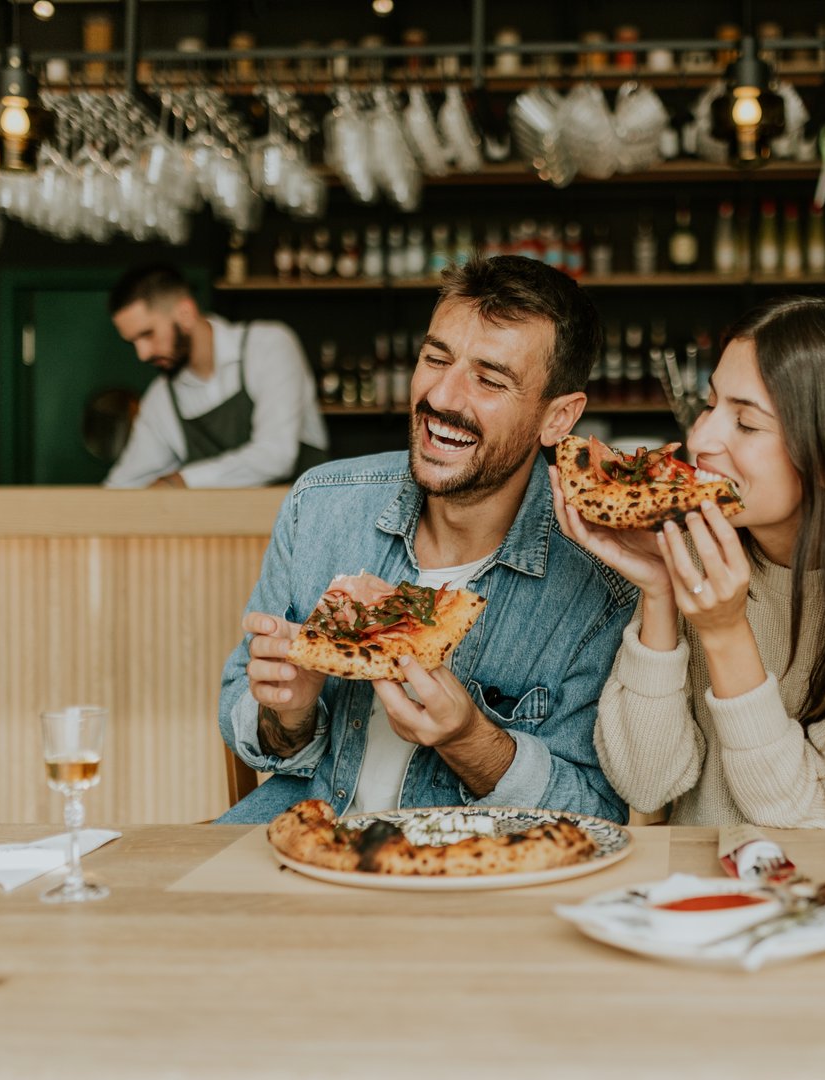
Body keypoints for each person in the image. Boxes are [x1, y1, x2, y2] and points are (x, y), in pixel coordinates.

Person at [216, 256, 634, 824]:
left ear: (558, 418)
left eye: (489, 380)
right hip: (298, 845)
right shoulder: (319, 505)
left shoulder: (601, 586)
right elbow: (242, 715)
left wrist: (469, 740)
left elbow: (595, 812)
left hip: (467, 882)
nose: (443, 396)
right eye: (435, 358)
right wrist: (288, 714)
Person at [555, 295, 825, 828]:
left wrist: (724, 631)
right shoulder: (698, 551)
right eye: (710, 405)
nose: (699, 438)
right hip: (703, 894)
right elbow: (647, 784)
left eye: (746, 423)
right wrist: (661, 593)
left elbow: (800, 814)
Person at [102, 263, 329, 488]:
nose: (142, 354)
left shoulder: (269, 346)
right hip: (226, 525)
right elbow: (123, 485)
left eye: (148, 334)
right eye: (133, 343)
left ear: (186, 313)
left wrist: (182, 480)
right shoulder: (161, 399)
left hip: (305, 521)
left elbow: (276, 456)